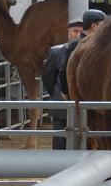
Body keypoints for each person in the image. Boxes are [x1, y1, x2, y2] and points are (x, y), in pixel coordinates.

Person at [41, 19, 82, 150]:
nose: (78, 35)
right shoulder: (56, 52)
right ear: (68, 33)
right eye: (74, 31)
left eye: (81, 32)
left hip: (84, 105)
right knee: (60, 141)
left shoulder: (93, 52)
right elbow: (47, 77)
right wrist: (56, 94)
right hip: (61, 104)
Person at [60, 9, 107, 98]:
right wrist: (67, 92)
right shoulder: (76, 44)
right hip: (81, 98)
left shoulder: (99, 43)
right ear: (94, 26)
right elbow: (65, 72)